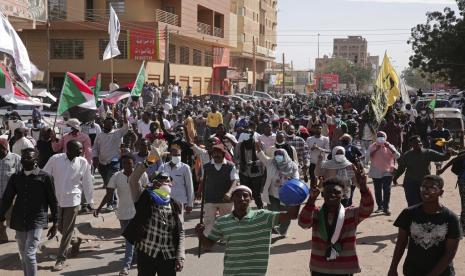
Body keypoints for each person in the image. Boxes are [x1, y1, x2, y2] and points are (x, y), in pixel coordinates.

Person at [195, 185, 301, 276]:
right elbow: (208, 245)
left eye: (245, 195)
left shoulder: (264, 217)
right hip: (231, 273)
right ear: (232, 199)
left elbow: (291, 215)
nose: (241, 198)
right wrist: (200, 235)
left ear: (251, 199)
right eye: (237, 195)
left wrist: (298, 196)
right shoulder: (222, 221)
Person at [298, 175, 374, 276]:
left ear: (343, 195)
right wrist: (311, 199)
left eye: (337, 192)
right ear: (323, 194)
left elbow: (367, 209)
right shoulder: (316, 213)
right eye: (328, 192)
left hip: (344, 268)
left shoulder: (350, 213)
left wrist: (363, 188)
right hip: (320, 267)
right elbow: (303, 223)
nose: (332, 195)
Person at [0, 148, 58, 276]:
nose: (25, 160)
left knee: (29, 253)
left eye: (29, 157)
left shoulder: (45, 177)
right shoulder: (16, 177)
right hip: (19, 219)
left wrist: (56, 223)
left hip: (37, 219)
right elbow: (7, 199)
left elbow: (53, 201)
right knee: (23, 253)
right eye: (23, 157)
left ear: (36, 160)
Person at [388, 175, 462, 276]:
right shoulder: (408, 213)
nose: (426, 191)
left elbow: (450, 253)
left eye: (432, 188)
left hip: (441, 273)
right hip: (413, 271)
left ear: (441, 192)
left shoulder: (451, 218)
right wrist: (393, 268)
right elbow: (401, 243)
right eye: (423, 187)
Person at [125, 162, 185, 275]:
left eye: (168, 181)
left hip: (168, 255)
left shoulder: (176, 205)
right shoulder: (144, 197)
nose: (166, 183)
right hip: (147, 253)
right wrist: (151, 159)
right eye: (162, 180)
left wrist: (180, 256)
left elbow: (180, 231)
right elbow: (133, 179)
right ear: (155, 183)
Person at [94, 154, 149, 276]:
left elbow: (147, 191)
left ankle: (126, 266)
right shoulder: (116, 176)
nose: (126, 166)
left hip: (138, 213)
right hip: (123, 213)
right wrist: (99, 208)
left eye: (129, 163)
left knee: (132, 240)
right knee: (130, 240)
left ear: (133, 163)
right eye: (124, 163)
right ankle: (134, 258)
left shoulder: (141, 175)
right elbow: (109, 194)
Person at [44, 140, 93, 271]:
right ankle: (76, 241)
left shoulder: (83, 162)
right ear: (69, 149)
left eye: (82, 149)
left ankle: (61, 259)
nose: (81, 151)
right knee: (61, 228)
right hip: (58, 200)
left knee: (67, 231)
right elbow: (44, 175)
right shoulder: (55, 159)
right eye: (79, 149)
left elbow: (87, 182)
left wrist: (90, 201)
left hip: (73, 200)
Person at [393, 135, 455, 207]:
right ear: (411, 145)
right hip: (410, 183)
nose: (418, 143)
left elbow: (442, 157)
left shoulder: (428, 153)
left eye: (419, 142)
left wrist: (448, 153)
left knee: (425, 203)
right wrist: (395, 178)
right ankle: (414, 217)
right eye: (415, 142)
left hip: (425, 183)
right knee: (412, 205)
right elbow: (401, 168)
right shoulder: (407, 155)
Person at [257, 142, 299, 238]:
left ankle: (283, 231)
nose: (278, 157)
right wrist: (258, 149)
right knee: (272, 212)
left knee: (286, 214)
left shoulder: (292, 165)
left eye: (280, 155)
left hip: (286, 194)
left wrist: (290, 180)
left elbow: (296, 178)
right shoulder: (271, 162)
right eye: (276, 155)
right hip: (272, 194)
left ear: (285, 155)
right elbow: (262, 157)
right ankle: (273, 227)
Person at [93, 115, 129, 210]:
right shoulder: (100, 135)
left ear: (113, 125)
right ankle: (114, 201)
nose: (106, 124)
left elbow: (125, 128)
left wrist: (125, 120)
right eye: (105, 123)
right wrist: (95, 157)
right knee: (108, 184)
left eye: (109, 123)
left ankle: (110, 204)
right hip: (102, 163)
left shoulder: (117, 133)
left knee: (110, 182)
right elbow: (95, 148)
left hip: (114, 162)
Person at [201, 145, 238, 233]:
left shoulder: (231, 166)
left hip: (226, 199)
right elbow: (203, 181)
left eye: (218, 153)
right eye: (214, 153)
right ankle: (208, 239)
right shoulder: (206, 167)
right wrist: (199, 192)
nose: (216, 155)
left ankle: (225, 238)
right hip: (210, 198)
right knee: (209, 221)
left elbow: (234, 181)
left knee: (226, 221)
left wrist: (229, 192)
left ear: (223, 154)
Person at [159, 146, 194, 222]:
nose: (177, 157)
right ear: (170, 155)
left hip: (179, 201)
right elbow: (157, 182)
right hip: (165, 200)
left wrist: (190, 203)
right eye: (175, 155)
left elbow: (189, 185)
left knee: (179, 224)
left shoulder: (185, 168)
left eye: (179, 155)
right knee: (166, 223)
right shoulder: (163, 167)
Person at [368, 131, 400, 215]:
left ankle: (386, 208)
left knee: (387, 189)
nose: (380, 137)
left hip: (388, 170)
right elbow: (367, 157)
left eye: (382, 136)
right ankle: (380, 206)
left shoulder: (390, 145)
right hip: (376, 170)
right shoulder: (372, 146)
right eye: (378, 136)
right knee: (377, 189)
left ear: (385, 137)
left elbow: (397, 156)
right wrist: (376, 149)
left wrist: (389, 147)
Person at [234, 133, 265, 209]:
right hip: (244, 172)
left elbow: (264, 159)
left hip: (256, 173)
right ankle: (245, 210)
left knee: (256, 194)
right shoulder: (239, 145)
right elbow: (235, 158)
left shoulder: (260, 145)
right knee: (245, 193)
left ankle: (260, 209)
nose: (248, 142)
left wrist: (254, 163)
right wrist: (241, 162)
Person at [0, 138, 22, 243]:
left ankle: (21, 236)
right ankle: (2, 237)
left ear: (4, 148)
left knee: (13, 219)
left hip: (11, 197)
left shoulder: (16, 159)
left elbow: (22, 177)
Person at [437, 152, 465, 232]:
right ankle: (463, 226)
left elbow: (453, 160)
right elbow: (453, 160)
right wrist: (442, 170)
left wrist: (442, 170)